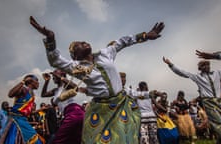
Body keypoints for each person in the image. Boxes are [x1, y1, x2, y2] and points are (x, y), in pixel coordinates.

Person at [30, 16, 164, 143]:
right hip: (102, 111)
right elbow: (56, 61)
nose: (83, 42)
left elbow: (123, 41)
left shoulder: (105, 53)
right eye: (78, 45)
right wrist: (50, 38)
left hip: (121, 105)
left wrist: (145, 36)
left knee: (123, 139)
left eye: (83, 42)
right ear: (75, 56)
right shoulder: (77, 67)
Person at [163, 57, 221, 144]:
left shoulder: (217, 73)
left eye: (208, 65)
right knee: (220, 123)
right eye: (204, 65)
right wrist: (171, 65)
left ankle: (220, 142)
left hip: (219, 101)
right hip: (208, 102)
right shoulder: (197, 77)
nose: (207, 66)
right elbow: (183, 73)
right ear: (200, 68)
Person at [41, 69, 85, 144]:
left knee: (57, 141)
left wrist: (60, 77)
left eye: (55, 75)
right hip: (68, 114)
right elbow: (43, 94)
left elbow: (76, 88)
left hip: (74, 112)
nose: (53, 77)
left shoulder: (66, 86)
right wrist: (46, 81)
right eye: (53, 76)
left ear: (62, 75)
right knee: (75, 140)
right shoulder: (55, 90)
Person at [0, 74, 45, 144]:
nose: (38, 83)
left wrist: (41, 109)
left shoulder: (32, 95)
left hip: (23, 120)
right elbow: (10, 94)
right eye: (37, 81)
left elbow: (30, 112)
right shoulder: (24, 89)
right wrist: (23, 81)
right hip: (16, 120)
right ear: (31, 81)